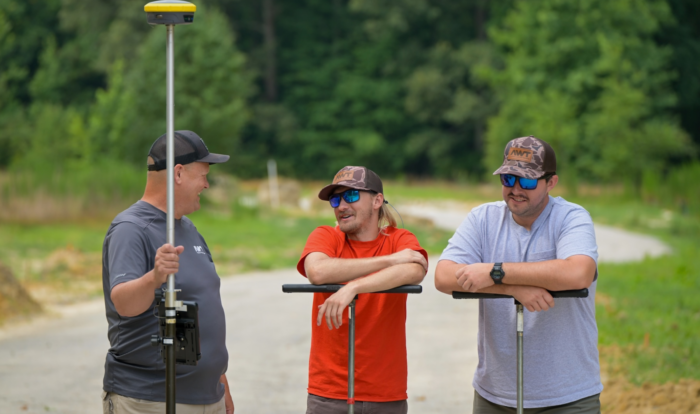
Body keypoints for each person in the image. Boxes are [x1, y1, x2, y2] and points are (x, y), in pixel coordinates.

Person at [435, 136, 602, 413]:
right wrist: (510, 288)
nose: (515, 189)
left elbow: (579, 272)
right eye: (508, 179)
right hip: (495, 396)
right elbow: (443, 276)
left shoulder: (572, 217)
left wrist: (495, 271)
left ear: (551, 182)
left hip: (568, 396)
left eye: (526, 181)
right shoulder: (482, 218)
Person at [101, 130, 234, 414]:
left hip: (207, 396)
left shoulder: (187, 228)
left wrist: (219, 381)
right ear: (178, 173)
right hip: (152, 400)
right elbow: (123, 303)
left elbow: (197, 307)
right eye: (203, 175)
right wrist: (155, 277)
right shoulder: (130, 229)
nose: (207, 185)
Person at [297, 166, 429, 414]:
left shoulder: (399, 239)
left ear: (377, 200)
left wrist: (354, 287)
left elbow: (416, 270)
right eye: (335, 199)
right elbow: (317, 271)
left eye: (352, 196)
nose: (341, 206)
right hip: (328, 391)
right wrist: (389, 261)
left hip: (385, 391)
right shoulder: (326, 235)